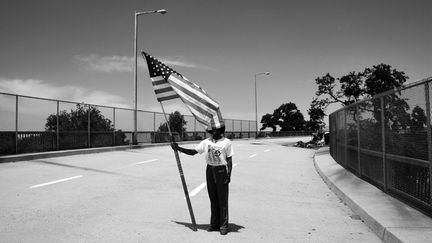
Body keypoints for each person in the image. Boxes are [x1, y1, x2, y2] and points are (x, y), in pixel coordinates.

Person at [171, 125, 234, 235]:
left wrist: (228, 175)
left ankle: (223, 225)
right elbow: (193, 152)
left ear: (220, 131)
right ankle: (214, 224)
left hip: (221, 171)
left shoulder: (227, 142)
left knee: (222, 200)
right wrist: (178, 148)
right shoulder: (206, 142)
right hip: (210, 170)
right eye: (212, 130)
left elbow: (229, 160)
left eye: (216, 130)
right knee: (213, 199)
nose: (214, 132)